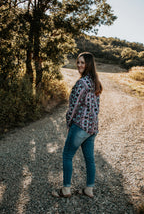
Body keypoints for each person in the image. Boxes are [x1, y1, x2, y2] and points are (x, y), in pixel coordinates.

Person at [52, 52, 102, 198]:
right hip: (92, 128)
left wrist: (69, 123)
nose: (79, 65)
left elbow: (72, 107)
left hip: (80, 126)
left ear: (89, 65)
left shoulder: (81, 83)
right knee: (89, 159)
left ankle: (66, 190)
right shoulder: (96, 83)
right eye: (78, 62)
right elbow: (97, 108)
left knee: (67, 155)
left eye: (82, 62)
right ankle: (89, 189)